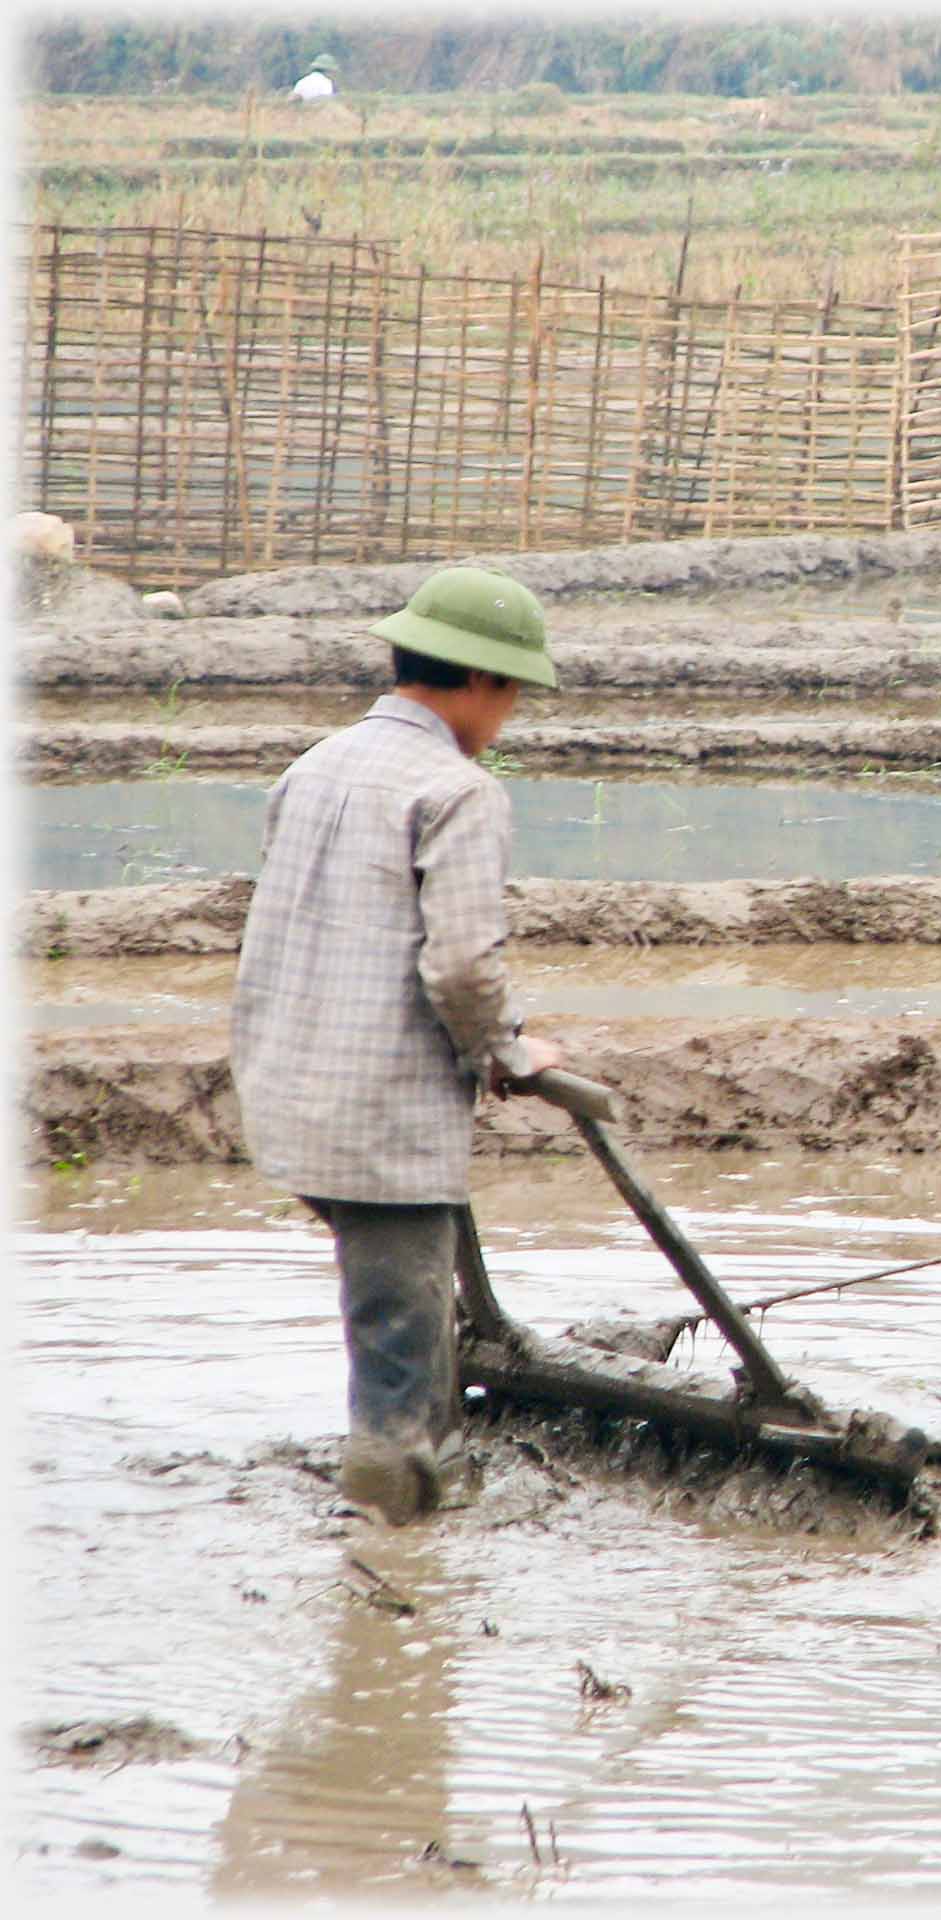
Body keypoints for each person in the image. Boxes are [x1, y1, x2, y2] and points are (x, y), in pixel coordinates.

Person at [229, 566, 564, 1526]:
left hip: (292, 1092)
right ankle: (393, 1578)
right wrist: (504, 1051)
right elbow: (462, 967)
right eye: (512, 699)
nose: (507, 719)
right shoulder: (457, 790)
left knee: (397, 1311)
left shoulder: (316, 764)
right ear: (483, 683)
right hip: (383, 1119)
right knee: (398, 1365)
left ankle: (425, 1490)